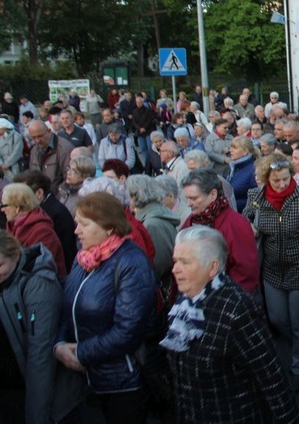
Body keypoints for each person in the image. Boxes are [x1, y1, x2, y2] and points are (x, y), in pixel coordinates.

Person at [163, 226, 299, 423]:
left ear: (212, 267)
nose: (175, 269)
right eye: (175, 261)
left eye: (185, 262)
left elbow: (271, 376)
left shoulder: (238, 309)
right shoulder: (185, 299)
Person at [55, 192, 158, 423]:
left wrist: (81, 353)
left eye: (83, 224)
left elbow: (128, 331)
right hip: (85, 382)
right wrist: (59, 344)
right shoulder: (83, 259)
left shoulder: (131, 262)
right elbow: (68, 309)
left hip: (121, 384)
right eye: (76, 223)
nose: (76, 231)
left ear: (109, 228)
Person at [242, 153, 299, 392]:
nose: (283, 184)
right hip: (271, 269)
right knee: (276, 318)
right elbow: (244, 221)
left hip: (298, 268)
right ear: (266, 179)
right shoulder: (256, 197)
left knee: (298, 322)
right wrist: (251, 227)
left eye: (286, 179)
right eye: (277, 181)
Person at [0, 231, 70, 423]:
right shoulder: (7, 279)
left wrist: (36, 417)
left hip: (31, 390)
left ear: (15, 254)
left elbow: (41, 355)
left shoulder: (38, 285)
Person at [182, 169, 259, 295]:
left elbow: (245, 271)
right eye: (187, 198)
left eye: (193, 198)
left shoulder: (236, 224)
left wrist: (223, 298)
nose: (189, 204)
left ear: (213, 194)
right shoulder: (191, 220)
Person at [125, 175, 179, 289]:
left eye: (127, 195)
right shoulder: (152, 216)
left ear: (136, 196)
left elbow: (159, 265)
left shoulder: (151, 224)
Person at [2, 183, 66, 277]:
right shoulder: (13, 226)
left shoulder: (42, 232)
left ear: (17, 207)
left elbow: (43, 268)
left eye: (4, 205)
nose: (2, 209)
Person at [27, 120, 74, 193]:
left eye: (40, 136)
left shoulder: (64, 149)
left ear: (49, 131)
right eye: (33, 138)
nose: (37, 141)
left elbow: (70, 177)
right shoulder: (34, 150)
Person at [226, 136, 258, 213]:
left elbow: (256, 200)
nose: (231, 150)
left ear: (245, 151)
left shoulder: (253, 170)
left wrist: (233, 204)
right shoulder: (233, 167)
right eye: (231, 147)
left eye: (235, 148)